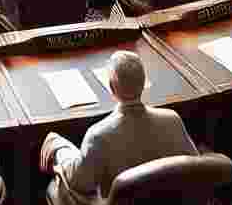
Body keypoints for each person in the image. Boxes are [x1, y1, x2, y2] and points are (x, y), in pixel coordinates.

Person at [41, 50, 197, 197]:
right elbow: (194, 164)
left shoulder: (98, 135)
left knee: (55, 183)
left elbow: (80, 183)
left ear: (111, 87)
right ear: (144, 83)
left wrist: (60, 148)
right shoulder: (172, 119)